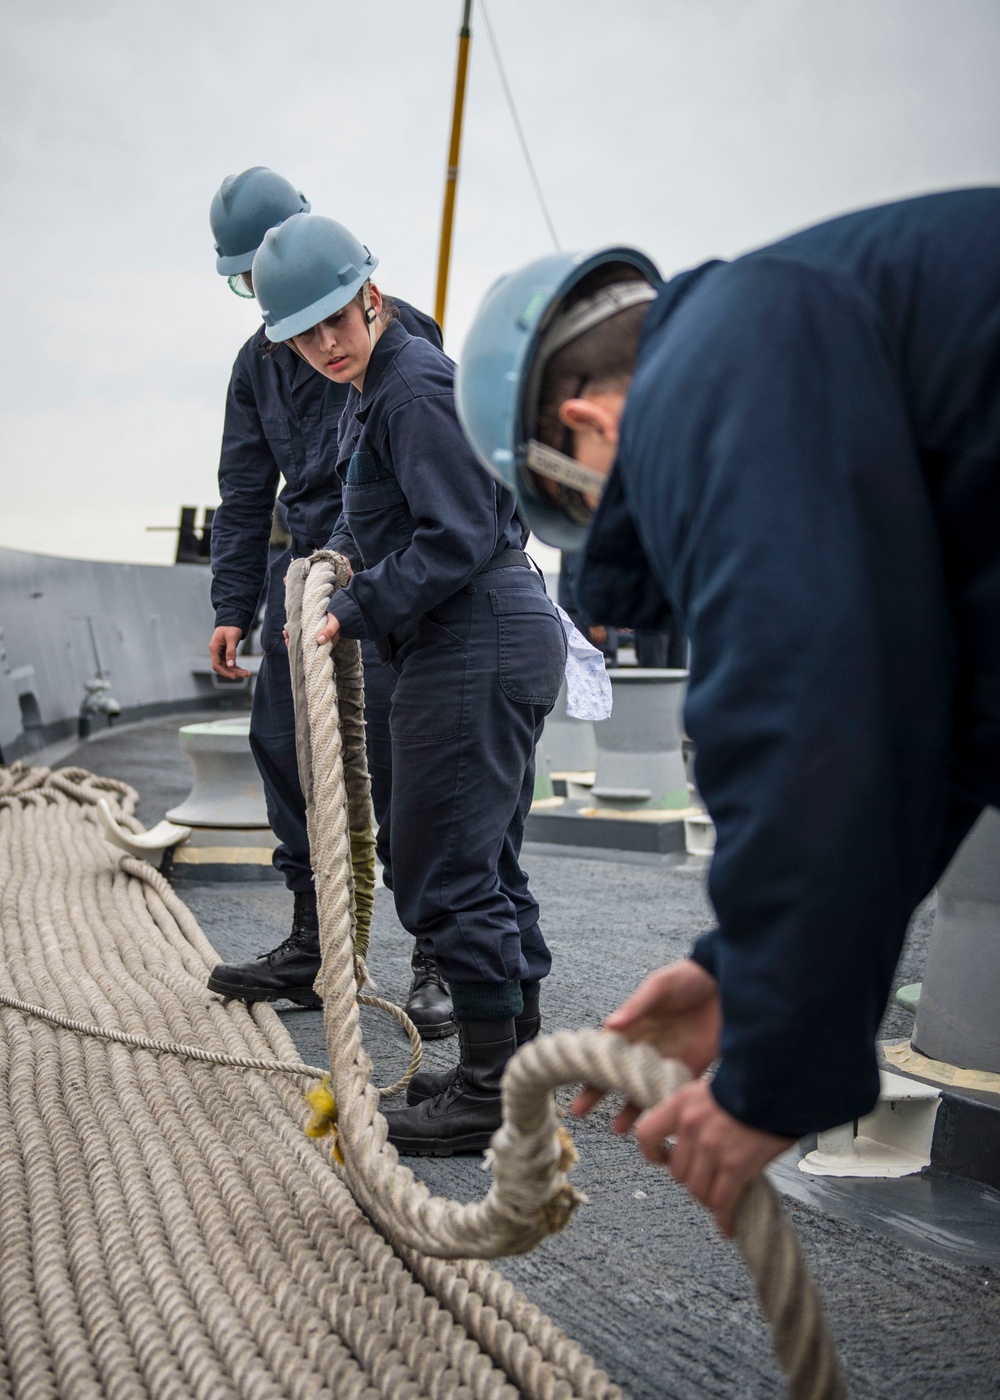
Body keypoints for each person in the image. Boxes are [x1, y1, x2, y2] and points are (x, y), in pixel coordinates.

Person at [455, 188, 1000, 1232]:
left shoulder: (715, 363)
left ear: (585, 424)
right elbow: (934, 741)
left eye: (576, 509)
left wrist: (774, 1069)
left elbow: (803, 698)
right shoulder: (789, 339)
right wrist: (744, 980)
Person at [251, 212, 567, 1155]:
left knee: (441, 864)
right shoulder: (375, 392)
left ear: (371, 298)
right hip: (476, 638)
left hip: (474, 638)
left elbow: (459, 533)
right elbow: (395, 517)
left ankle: (480, 1097)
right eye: (305, 335)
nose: (324, 344)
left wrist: (352, 608)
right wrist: (337, 562)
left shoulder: (410, 386)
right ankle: (507, 1069)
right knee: (482, 863)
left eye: (336, 321)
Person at [203, 167, 454, 1039]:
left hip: (389, 583)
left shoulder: (397, 338)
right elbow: (243, 491)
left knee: (406, 772)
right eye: (246, 283)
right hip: (302, 586)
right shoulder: (257, 364)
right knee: (282, 748)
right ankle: (316, 947)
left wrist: (354, 574)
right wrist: (232, 603)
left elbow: (419, 473)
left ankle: (441, 960)